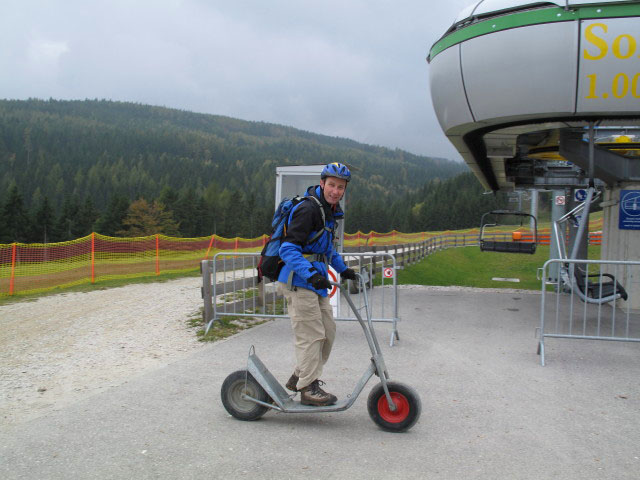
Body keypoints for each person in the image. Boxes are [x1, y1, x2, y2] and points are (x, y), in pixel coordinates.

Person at [277, 162, 357, 406]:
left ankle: (300, 375)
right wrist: (311, 274)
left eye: (340, 187)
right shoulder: (309, 210)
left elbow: (326, 249)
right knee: (311, 335)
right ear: (322, 184)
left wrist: (344, 270)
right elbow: (287, 249)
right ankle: (308, 388)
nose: (335, 190)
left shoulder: (329, 211)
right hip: (299, 283)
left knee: (328, 334)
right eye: (331, 185)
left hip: (315, 283)